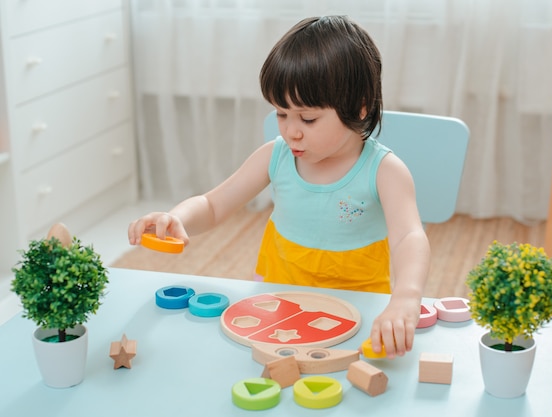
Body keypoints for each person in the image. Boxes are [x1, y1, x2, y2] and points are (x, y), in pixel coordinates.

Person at [128, 15, 430, 359]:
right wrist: (177, 217)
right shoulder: (276, 156)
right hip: (280, 298)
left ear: (359, 107)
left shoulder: (385, 170)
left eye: (308, 118)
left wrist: (405, 298)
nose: (291, 131)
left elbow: (409, 237)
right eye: (281, 114)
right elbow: (213, 206)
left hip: (358, 304)